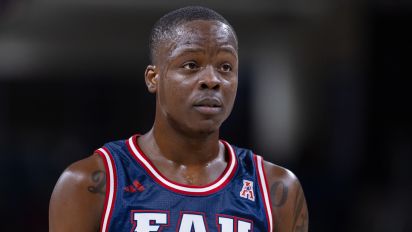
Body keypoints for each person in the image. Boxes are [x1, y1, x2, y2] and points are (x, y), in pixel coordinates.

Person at [49, 6, 308, 232]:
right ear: (153, 78)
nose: (212, 80)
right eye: (191, 65)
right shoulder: (89, 182)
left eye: (225, 67)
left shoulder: (276, 188)